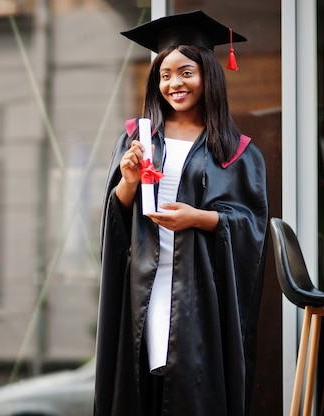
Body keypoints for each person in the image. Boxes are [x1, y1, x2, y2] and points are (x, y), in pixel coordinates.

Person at [94, 10, 269, 416]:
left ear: (209, 73)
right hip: (145, 284)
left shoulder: (237, 151)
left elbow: (251, 227)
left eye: (186, 72)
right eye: (165, 75)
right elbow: (114, 216)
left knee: (193, 389)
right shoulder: (137, 138)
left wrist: (198, 218)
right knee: (143, 385)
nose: (175, 83)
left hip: (199, 291)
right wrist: (129, 182)